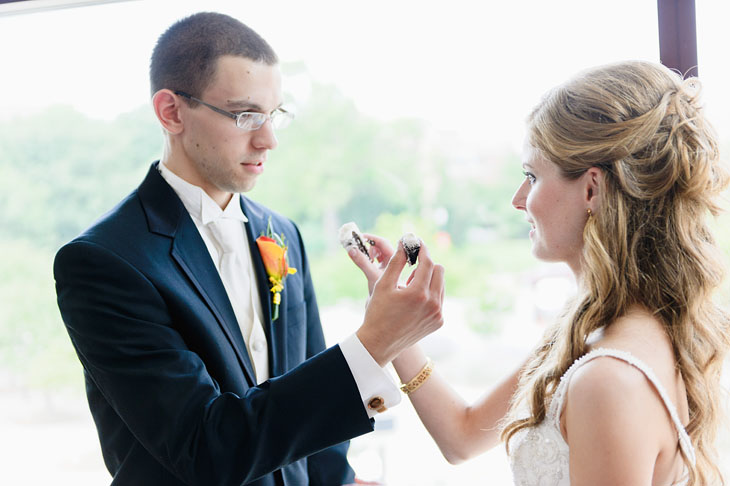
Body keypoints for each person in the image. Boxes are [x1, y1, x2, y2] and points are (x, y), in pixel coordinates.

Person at [53, 12, 445, 486]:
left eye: (274, 114)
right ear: (171, 111)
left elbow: (315, 434)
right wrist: (376, 341)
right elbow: (205, 449)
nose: (269, 139)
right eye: (245, 115)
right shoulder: (103, 261)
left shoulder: (281, 234)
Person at [348, 60, 730, 485]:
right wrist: (395, 319)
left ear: (592, 189)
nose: (518, 199)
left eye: (532, 176)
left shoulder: (607, 379)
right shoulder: (595, 329)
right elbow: (463, 435)